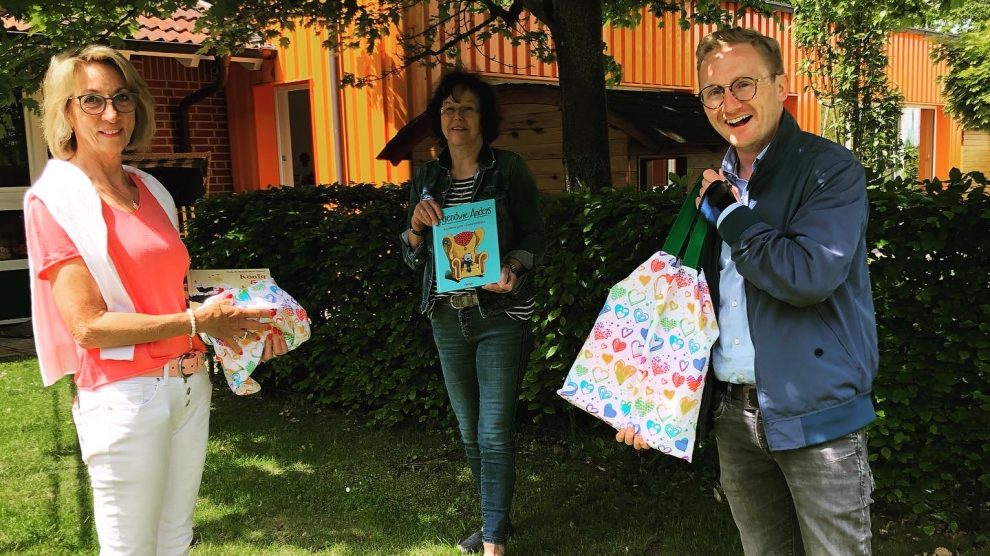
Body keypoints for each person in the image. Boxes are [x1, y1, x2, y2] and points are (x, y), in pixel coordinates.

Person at [24, 45, 287, 555]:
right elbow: (89, 326)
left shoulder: (150, 188)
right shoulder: (53, 200)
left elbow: (178, 295)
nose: (111, 112)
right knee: (130, 549)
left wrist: (248, 330)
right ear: (66, 112)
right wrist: (197, 323)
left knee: (175, 540)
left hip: (188, 387)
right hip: (124, 397)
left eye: (121, 97)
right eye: (92, 100)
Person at [696, 27, 878, 555]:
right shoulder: (715, 183)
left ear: (780, 85)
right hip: (734, 415)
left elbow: (808, 275)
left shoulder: (829, 170)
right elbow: (692, 301)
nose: (728, 103)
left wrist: (730, 216)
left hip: (815, 413)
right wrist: (648, 398)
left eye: (744, 85)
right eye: (714, 92)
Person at [400, 70, 545, 556]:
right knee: (469, 433)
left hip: (499, 316)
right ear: (438, 119)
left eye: (466, 108)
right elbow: (410, 252)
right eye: (448, 108)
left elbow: (535, 237)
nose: (456, 116)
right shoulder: (426, 177)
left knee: (493, 431)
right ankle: (492, 521)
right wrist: (417, 229)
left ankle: (493, 542)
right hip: (447, 317)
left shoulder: (508, 169)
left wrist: (514, 267)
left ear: (484, 118)